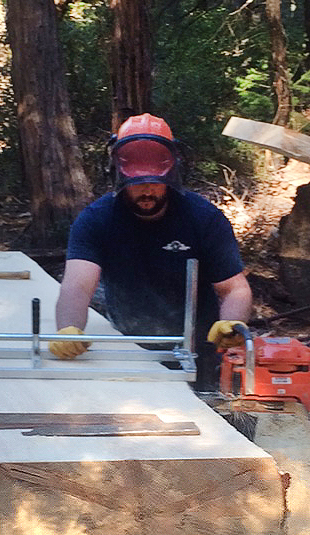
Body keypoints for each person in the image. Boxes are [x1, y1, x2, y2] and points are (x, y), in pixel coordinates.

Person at [48, 113, 252, 389]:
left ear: (171, 172)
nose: (147, 191)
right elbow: (77, 286)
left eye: (155, 182)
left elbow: (235, 289)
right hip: (127, 347)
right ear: (119, 173)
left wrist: (231, 324)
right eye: (137, 183)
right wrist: (68, 329)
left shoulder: (203, 218)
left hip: (196, 351)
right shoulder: (96, 220)